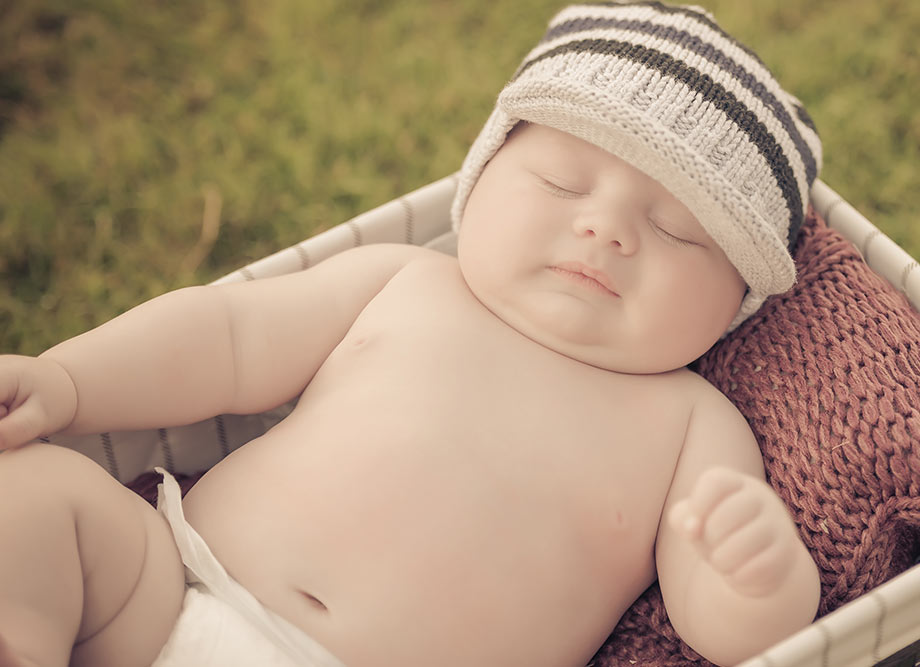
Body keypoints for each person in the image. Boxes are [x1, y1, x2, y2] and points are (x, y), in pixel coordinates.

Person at [0, 3, 824, 666]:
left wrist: (759, 579)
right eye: (560, 180)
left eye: (678, 230)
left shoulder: (691, 423)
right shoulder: (404, 281)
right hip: (174, 586)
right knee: (31, 494)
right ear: (481, 179)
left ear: (736, 301)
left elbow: (721, 626)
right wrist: (69, 382)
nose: (606, 229)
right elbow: (227, 336)